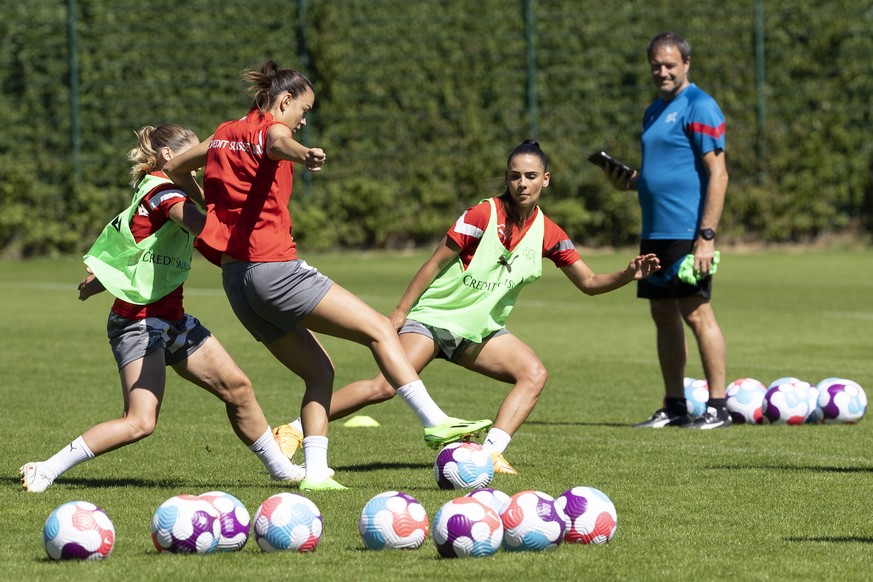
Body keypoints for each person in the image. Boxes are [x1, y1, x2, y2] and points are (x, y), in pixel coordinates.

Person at [163, 61, 490, 491]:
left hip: (238, 283)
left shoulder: (223, 132)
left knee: (320, 372)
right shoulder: (271, 131)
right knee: (380, 329)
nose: (304, 120)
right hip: (275, 270)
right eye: (304, 109)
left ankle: (316, 476)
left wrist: (209, 210)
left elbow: (174, 169)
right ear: (283, 101)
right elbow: (279, 141)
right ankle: (435, 421)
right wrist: (305, 155)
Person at [273, 139, 661, 474]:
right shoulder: (482, 214)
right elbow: (434, 263)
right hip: (433, 320)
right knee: (383, 387)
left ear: (546, 180)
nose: (521, 183)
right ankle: (291, 429)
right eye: (514, 175)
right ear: (507, 178)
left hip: (479, 332)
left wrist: (628, 273)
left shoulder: (550, 233)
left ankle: (489, 454)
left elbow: (590, 283)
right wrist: (400, 313)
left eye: (530, 176)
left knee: (534, 373)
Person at [18, 124, 305, 493]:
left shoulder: (157, 188)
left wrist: (101, 279)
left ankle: (280, 469)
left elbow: (136, 246)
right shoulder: (164, 194)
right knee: (140, 422)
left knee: (238, 388)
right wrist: (260, 226)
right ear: (170, 157)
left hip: (171, 319)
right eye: (194, 153)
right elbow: (206, 230)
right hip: (137, 323)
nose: (200, 162)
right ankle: (46, 468)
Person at [598, 31, 731, 429]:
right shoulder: (654, 110)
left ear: (687, 64)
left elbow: (718, 174)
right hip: (654, 231)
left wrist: (706, 237)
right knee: (663, 315)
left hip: (687, 230)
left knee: (696, 313)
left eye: (670, 64)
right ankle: (674, 404)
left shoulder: (700, 105)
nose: (662, 71)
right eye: (656, 65)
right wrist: (631, 181)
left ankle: (718, 406)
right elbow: (664, 172)